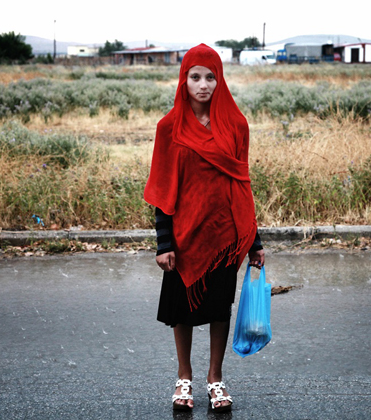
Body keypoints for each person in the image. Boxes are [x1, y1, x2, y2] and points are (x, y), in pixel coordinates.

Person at [144, 43, 265, 412]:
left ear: (220, 79)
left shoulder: (236, 125)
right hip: (184, 236)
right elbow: (163, 187)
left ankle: (215, 377)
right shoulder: (169, 127)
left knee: (218, 309)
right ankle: (184, 376)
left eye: (210, 77)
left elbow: (241, 185)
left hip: (225, 236)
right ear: (184, 80)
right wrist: (164, 242)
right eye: (195, 76)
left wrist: (254, 241)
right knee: (181, 310)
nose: (203, 85)